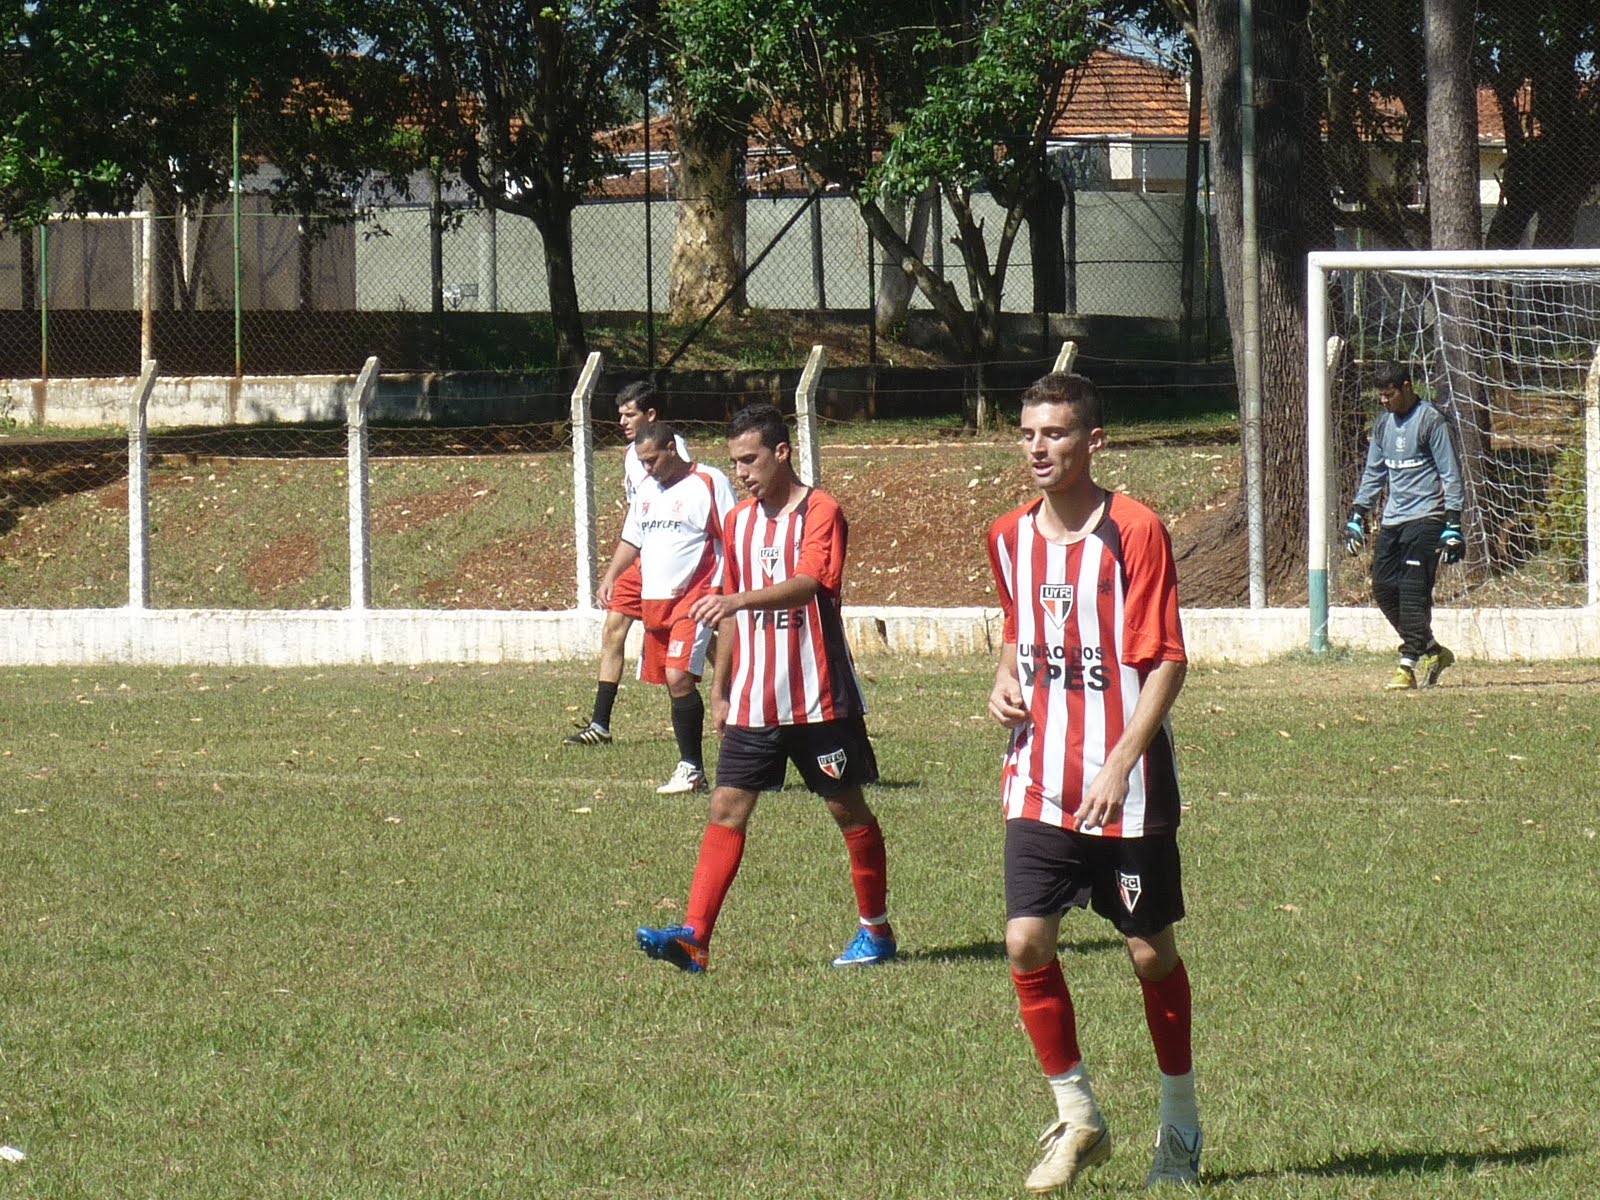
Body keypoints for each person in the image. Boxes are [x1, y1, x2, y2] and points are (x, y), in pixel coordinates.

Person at [986, 373, 1200, 1192]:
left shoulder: (1136, 530)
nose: (1039, 447)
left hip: (1128, 786)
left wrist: (1119, 762)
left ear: (1093, 441)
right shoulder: (1007, 535)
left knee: (1150, 956)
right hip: (1038, 776)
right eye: (1029, 433)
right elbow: (1021, 631)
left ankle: (1179, 1128)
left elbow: (1167, 659)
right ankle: (1078, 1117)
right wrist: (1001, 679)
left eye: (1056, 434)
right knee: (1026, 940)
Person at [634, 403, 894, 973]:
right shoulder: (739, 522)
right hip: (755, 698)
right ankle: (695, 938)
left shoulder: (821, 510)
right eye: (734, 462)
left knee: (847, 809)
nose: (742, 472)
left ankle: (875, 931)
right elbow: (730, 613)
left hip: (817, 696)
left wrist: (738, 601)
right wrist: (724, 689)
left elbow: (808, 585)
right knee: (727, 806)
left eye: (750, 459)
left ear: (782, 452)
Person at [596, 419, 735, 794]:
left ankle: (691, 768)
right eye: (641, 462)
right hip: (656, 602)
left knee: (678, 676)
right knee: (677, 685)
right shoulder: (646, 490)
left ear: (672, 449)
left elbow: (733, 537)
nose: (647, 468)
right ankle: (713, 759)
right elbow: (633, 538)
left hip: (697, 596)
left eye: (653, 460)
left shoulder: (709, 482)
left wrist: (729, 591)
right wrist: (612, 574)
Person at [565, 382, 693, 747]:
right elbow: (637, 519)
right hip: (644, 559)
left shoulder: (673, 453)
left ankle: (737, 704)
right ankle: (600, 725)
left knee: (699, 640)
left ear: (651, 415)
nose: (622, 421)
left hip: (672, 563)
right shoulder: (632, 453)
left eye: (630, 414)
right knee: (614, 628)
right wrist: (615, 572)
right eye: (620, 414)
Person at [1343, 362, 1466, 691]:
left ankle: (1406, 666)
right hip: (1394, 520)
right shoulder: (1384, 426)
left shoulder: (1431, 420)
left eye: (1389, 394)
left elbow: (1450, 473)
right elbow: (1375, 473)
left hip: (1428, 518)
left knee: (1413, 592)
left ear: (1407, 387)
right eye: (1380, 396)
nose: (1384, 401)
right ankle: (1432, 650)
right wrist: (1358, 513)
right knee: (1383, 589)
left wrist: (1454, 522)